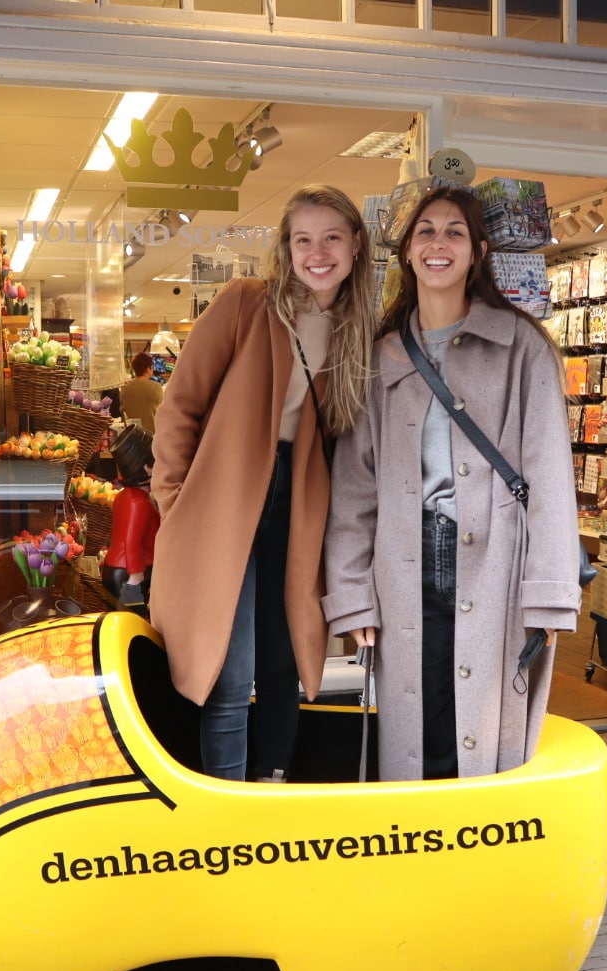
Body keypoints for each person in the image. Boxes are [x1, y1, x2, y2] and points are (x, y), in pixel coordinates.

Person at [323, 185, 582, 782]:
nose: (438, 243)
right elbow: (355, 491)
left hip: (495, 558)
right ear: (408, 253)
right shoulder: (380, 357)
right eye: (425, 232)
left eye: (454, 232)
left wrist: (548, 589)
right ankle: (416, 847)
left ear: (478, 252)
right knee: (416, 716)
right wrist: (353, 592)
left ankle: (481, 849)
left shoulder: (523, 347)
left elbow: (547, 472)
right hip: (403, 556)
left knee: (487, 718)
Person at [151, 184, 376, 781]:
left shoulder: (358, 331)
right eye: (303, 239)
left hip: (299, 505)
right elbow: (180, 408)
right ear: (286, 247)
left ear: (356, 243)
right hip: (223, 502)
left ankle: (271, 787)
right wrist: (176, 503)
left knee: (283, 660)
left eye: (331, 237)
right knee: (227, 667)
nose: (317, 252)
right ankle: (226, 803)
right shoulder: (247, 304)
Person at [101, 422, 159, 614]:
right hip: (129, 573)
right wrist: (136, 577)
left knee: (124, 621)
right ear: (147, 468)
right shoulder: (138, 502)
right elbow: (131, 541)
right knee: (135, 621)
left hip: (118, 569)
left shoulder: (126, 496)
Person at [118, 351, 164, 433]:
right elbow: (162, 410)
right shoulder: (156, 387)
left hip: (131, 435)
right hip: (152, 435)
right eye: (152, 367)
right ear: (147, 369)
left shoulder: (124, 387)